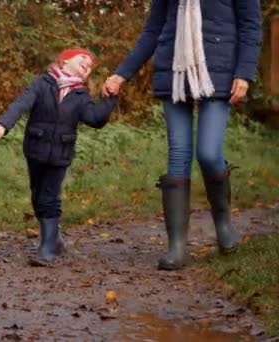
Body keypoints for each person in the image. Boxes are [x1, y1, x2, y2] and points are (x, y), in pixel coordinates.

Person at [103, 0, 262, 270]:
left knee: (209, 153)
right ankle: (177, 247)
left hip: (218, 73)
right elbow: (153, 30)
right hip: (173, 71)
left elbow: (250, 26)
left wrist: (244, 74)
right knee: (178, 154)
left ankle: (224, 224)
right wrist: (122, 74)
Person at [0, 49, 118, 264]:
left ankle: (47, 249)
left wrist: (110, 99)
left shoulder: (81, 95)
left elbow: (94, 119)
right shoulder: (42, 83)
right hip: (36, 149)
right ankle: (54, 239)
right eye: (83, 59)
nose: (88, 64)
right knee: (38, 196)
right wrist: (3, 124)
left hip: (60, 153)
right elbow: (21, 104)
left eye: (91, 65)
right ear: (65, 60)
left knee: (50, 197)